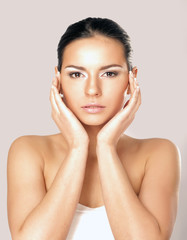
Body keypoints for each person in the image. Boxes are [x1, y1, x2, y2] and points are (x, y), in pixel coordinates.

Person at [7, 17, 181, 240]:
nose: (92, 90)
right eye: (76, 74)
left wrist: (106, 146)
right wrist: (78, 147)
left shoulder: (158, 153)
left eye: (109, 73)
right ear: (58, 80)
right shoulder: (28, 151)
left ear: (131, 79)